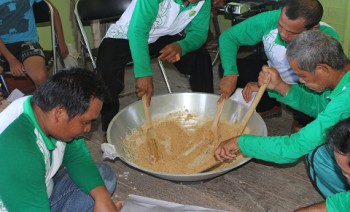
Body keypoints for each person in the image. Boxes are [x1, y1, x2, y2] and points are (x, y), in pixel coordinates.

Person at [215, 30, 350, 211]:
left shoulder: (346, 98)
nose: (300, 81)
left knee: (316, 152)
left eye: (303, 76)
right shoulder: (342, 79)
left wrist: (240, 142)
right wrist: (280, 86)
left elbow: (293, 148)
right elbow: (320, 106)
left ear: (323, 69)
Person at [0, 68, 123, 211]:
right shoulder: (18, 151)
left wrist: (103, 199)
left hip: (37, 193)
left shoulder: (42, 111)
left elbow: (77, 158)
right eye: (85, 122)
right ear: (59, 113)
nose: (88, 129)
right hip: (17, 204)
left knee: (103, 178)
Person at [218, 0, 339, 132]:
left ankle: (302, 120)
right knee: (230, 66)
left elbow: (319, 98)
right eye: (280, 26)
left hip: (302, 85)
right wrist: (230, 73)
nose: (283, 34)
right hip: (275, 73)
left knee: (312, 103)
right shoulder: (272, 18)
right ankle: (268, 107)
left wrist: (270, 86)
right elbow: (228, 37)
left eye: (292, 32)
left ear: (313, 29)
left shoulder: (326, 44)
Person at [97, 0, 213, 135]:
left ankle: (208, 116)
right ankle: (109, 128)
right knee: (106, 68)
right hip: (127, 34)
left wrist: (182, 46)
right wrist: (143, 73)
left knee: (201, 57)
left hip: (162, 35)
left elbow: (199, 32)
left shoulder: (204, 2)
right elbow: (138, 30)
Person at [0, 0, 68, 87]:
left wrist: (61, 42)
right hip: (2, 46)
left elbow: (53, 11)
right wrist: (12, 60)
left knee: (40, 77)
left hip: (28, 42)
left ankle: (46, 99)